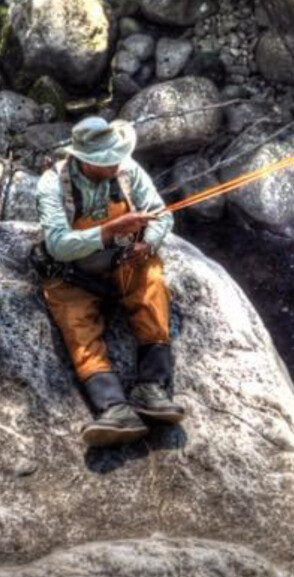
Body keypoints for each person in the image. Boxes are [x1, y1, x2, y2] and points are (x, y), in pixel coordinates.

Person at [36, 116, 187, 447]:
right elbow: (58, 245)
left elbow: (161, 214)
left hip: (126, 263)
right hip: (73, 275)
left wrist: (148, 243)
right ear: (86, 161)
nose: (116, 163)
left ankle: (152, 388)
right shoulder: (51, 184)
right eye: (108, 160)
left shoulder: (128, 170)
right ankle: (114, 408)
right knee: (78, 329)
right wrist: (108, 231)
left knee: (153, 283)